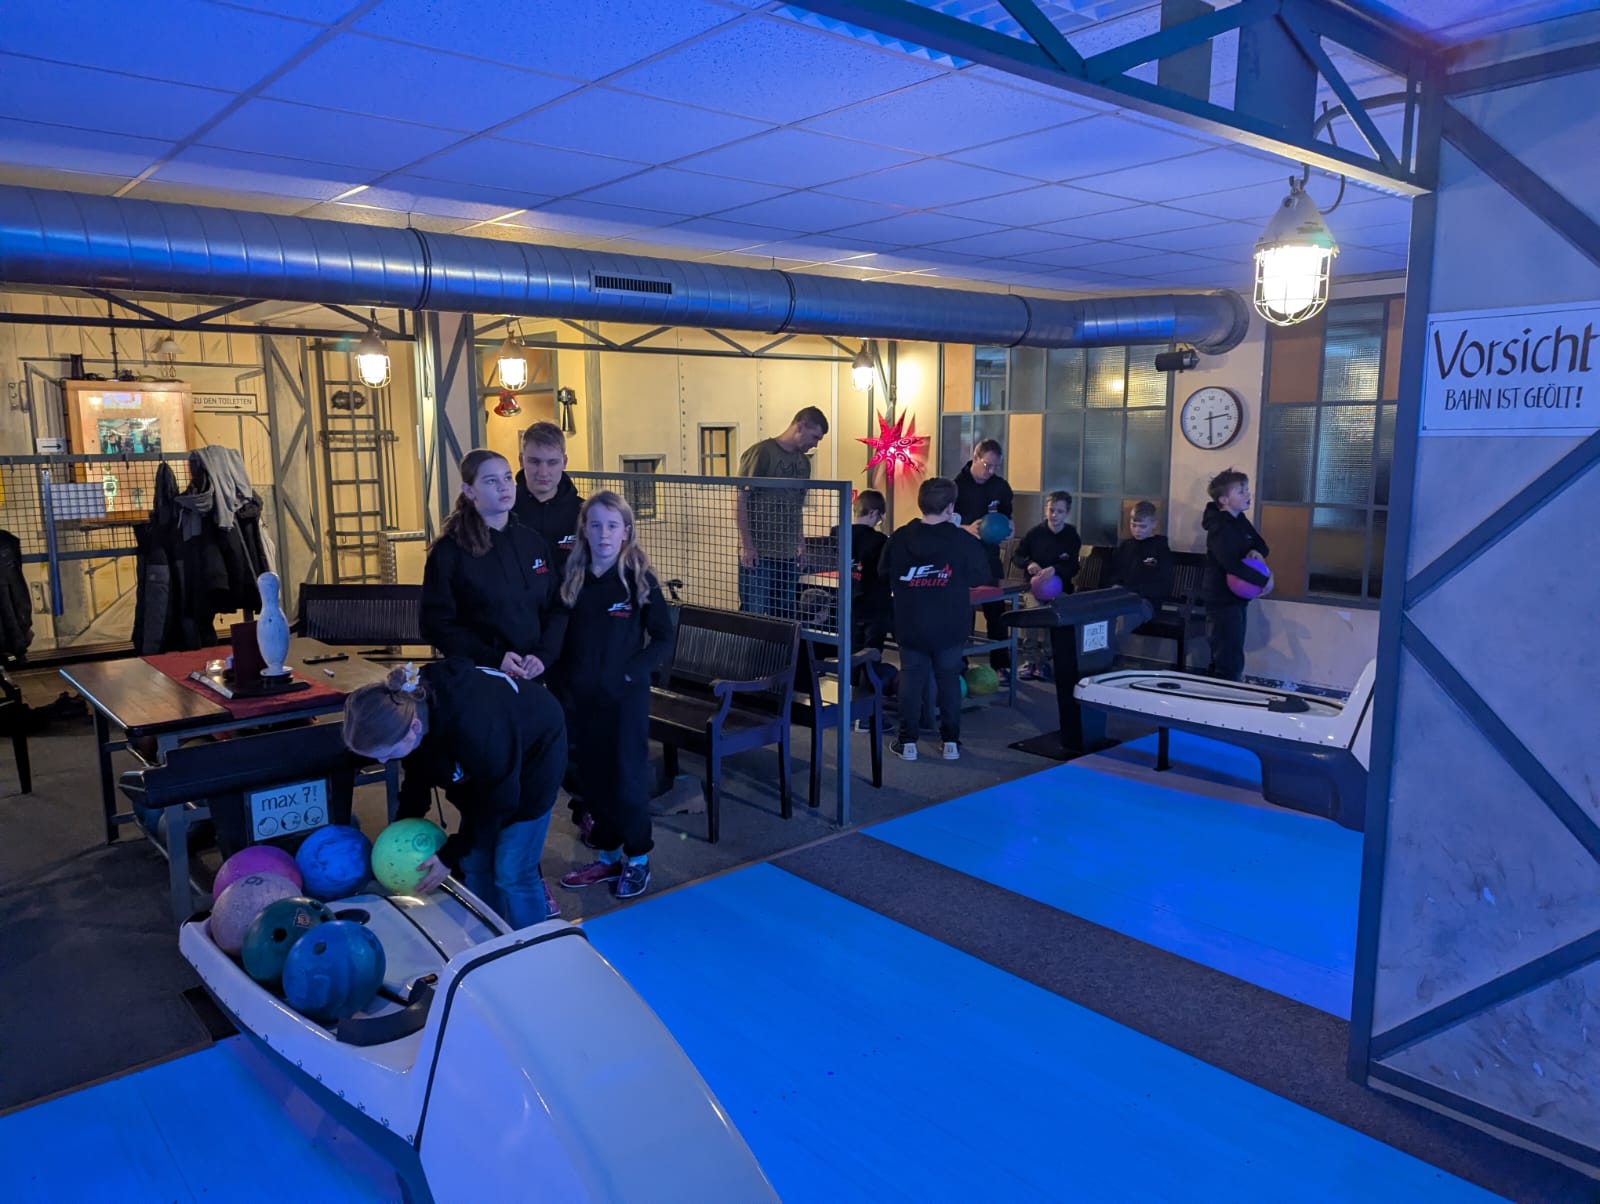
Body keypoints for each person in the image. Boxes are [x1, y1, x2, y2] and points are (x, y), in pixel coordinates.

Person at [341, 659, 568, 928]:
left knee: (513, 870)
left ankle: (532, 943)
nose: (383, 762)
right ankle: (492, 933)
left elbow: (500, 799)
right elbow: (416, 780)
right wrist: (399, 834)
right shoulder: (408, 711)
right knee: (474, 863)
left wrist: (449, 855)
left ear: (414, 729)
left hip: (536, 749)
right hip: (488, 757)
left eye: (388, 753)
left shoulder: (473, 728)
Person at [556, 492, 675, 901]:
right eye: (596, 525)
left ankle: (637, 859)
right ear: (584, 531)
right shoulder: (573, 578)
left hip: (625, 700)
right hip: (581, 699)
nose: (604, 534)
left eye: (612, 525)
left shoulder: (638, 577)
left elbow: (662, 637)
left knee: (627, 778)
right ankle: (608, 857)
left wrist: (630, 672)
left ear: (626, 531)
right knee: (593, 780)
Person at [421, 449, 564, 681]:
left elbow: (556, 607)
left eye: (507, 478)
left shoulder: (532, 542)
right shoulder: (450, 552)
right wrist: (493, 658)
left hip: (533, 673)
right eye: (491, 481)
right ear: (469, 491)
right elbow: (435, 624)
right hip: (478, 676)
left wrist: (543, 655)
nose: (503, 487)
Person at [881, 477, 990, 763]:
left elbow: (882, 573)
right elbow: (981, 576)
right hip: (950, 624)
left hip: (910, 622)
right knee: (949, 680)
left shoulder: (899, 538)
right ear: (951, 507)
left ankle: (908, 744)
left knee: (911, 679)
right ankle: (951, 742)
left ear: (921, 503)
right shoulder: (963, 540)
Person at [735, 406, 828, 618]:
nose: (815, 444)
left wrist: (801, 544)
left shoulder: (804, 463)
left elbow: (797, 506)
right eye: (814, 437)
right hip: (761, 551)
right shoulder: (761, 453)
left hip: (788, 553)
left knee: (784, 615)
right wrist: (746, 545)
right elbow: (740, 497)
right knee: (754, 614)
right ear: (800, 426)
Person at [1202, 469, 1272, 682]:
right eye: (1241, 491)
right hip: (1221, 599)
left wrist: (1256, 552)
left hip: (1238, 598)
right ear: (1224, 500)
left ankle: (1223, 687)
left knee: (1231, 650)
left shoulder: (1239, 519)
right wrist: (1264, 581)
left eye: (1247, 490)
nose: (1248, 495)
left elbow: (1262, 545)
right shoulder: (1219, 527)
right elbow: (1231, 564)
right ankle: (1223, 694)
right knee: (1228, 657)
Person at [953, 439, 1014, 682]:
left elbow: (1007, 516)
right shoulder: (956, 486)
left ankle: (1001, 665)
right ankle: (961, 666)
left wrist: (1009, 528)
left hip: (989, 556)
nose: (991, 471)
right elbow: (945, 521)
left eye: (996, 466)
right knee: (963, 613)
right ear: (975, 458)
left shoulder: (1000, 487)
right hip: (963, 557)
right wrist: (967, 528)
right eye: (988, 465)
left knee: (996, 611)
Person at [1013, 490, 1081, 681]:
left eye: (1059, 511)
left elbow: (1073, 566)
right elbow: (1017, 556)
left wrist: (1055, 570)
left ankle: (1048, 661)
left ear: (1067, 513)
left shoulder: (1071, 535)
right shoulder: (1035, 533)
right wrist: (1029, 564)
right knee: (1033, 613)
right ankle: (1032, 660)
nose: (1054, 515)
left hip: (1060, 589)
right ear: (1046, 510)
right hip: (1034, 589)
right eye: (1051, 510)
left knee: (1055, 614)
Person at [513, 421, 584, 572]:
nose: (543, 472)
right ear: (521, 460)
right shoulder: (503, 511)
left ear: (564, 462)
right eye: (534, 462)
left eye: (552, 462)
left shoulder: (584, 513)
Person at [832, 489, 891, 652]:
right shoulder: (879, 540)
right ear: (873, 513)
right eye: (879, 517)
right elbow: (884, 571)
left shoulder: (837, 532)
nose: (878, 521)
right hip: (874, 602)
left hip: (848, 598)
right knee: (872, 651)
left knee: (850, 649)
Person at [1110, 500, 1174, 607]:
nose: (1137, 530)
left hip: (1147, 601)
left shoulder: (1160, 549)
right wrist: (1115, 585)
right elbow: (1114, 573)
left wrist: (1132, 590)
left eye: (1143, 526)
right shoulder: (1125, 546)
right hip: (1122, 598)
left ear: (1154, 524)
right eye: (1133, 525)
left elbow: (1164, 585)